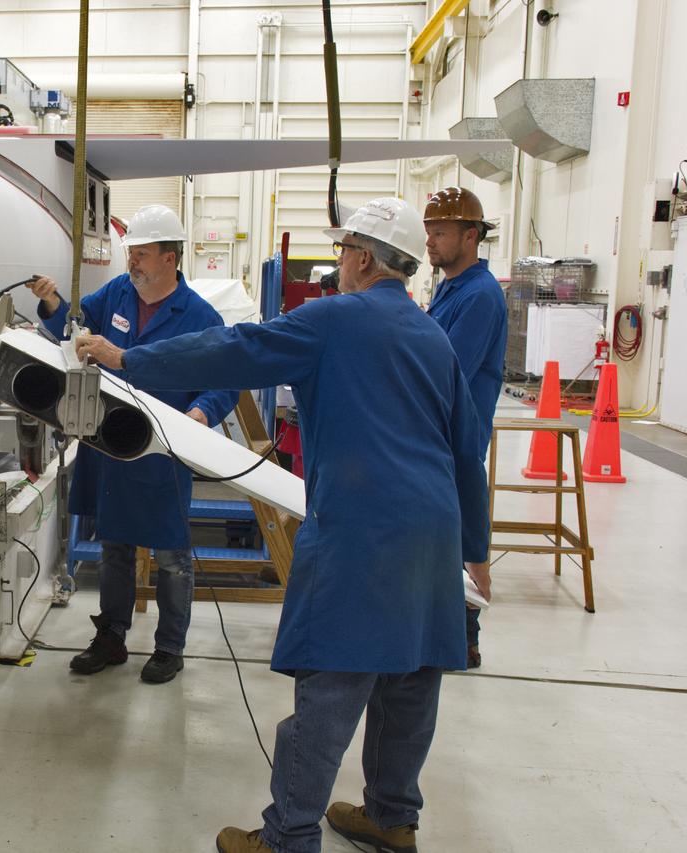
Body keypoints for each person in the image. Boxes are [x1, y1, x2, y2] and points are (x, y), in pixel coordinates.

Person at [74, 198, 492, 853]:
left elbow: (235, 349)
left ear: (359, 257)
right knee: (409, 683)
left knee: (331, 682)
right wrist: (475, 550)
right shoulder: (431, 333)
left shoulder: (331, 319)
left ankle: (287, 835)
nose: (339, 262)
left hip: (360, 529)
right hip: (434, 532)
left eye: (343, 251)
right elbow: (468, 446)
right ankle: (390, 817)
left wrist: (130, 361)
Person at [29, 203, 237, 684]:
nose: (133, 263)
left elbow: (226, 379)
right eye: (132, 254)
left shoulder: (199, 316)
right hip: (110, 441)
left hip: (163, 449)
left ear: (171, 258)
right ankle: (111, 638)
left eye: (142, 254)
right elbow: (74, 329)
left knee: (171, 555)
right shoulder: (118, 294)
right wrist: (52, 303)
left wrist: (200, 413)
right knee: (115, 547)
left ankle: (169, 647)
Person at [423, 186, 508, 669]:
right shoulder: (451, 287)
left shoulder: (480, 296)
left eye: (440, 233)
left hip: (457, 436)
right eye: (429, 232)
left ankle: (465, 639)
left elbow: (447, 368)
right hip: (441, 432)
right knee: (443, 536)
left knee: (457, 536)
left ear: (470, 236)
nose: (430, 241)